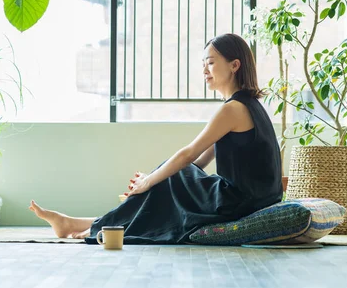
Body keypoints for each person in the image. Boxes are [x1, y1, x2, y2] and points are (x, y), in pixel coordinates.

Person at [29, 33, 283, 244]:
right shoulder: (248, 106)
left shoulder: (232, 110)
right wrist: (157, 183)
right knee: (171, 178)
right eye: (203, 63)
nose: (204, 70)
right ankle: (81, 224)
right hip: (254, 197)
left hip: (240, 201)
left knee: (171, 174)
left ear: (234, 65)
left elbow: (188, 154)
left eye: (211, 62)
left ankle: (92, 227)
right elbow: (200, 161)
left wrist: (149, 181)